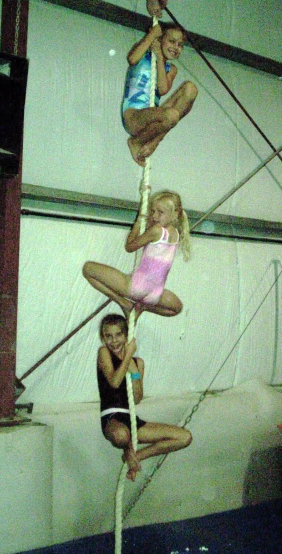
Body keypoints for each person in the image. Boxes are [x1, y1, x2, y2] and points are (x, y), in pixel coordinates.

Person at [97, 312, 192, 481]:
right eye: (109, 336)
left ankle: (136, 456)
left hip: (131, 419)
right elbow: (114, 382)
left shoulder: (138, 362)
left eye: (118, 334)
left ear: (126, 335)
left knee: (184, 437)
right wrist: (127, 356)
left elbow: (137, 398)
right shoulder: (104, 353)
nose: (114, 341)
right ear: (103, 338)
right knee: (121, 435)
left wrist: (134, 372)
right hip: (112, 419)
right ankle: (128, 451)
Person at [83, 190, 190, 321]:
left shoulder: (156, 231)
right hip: (155, 295)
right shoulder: (176, 234)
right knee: (177, 308)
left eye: (160, 212)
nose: (155, 216)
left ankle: (123, 303)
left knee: (88, 269)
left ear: (175, 213)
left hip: (136, 287)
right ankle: (143, 307)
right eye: (153, 211)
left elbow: (129, 247)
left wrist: (138, 223)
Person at [122, 21, 197, 166]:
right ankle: (135, 142)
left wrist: (160, 58)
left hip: (153, 115)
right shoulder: (143, 54)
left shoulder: (171, 69)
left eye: (180, 45)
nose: (176, 47)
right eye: (172, 41)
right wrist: (152, 35)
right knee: (172, 115)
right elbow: (132, 59)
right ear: (161, 39)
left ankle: (155, 140)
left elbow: (162, 89)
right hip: (133, 115)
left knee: (190, 89)